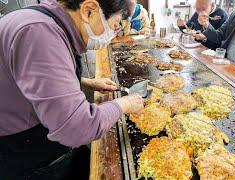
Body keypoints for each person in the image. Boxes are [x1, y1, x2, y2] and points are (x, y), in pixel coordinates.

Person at [0, 0, 144, 179]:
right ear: (89, 10)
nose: (113, 33)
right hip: (27, 155)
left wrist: (85, 82)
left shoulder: (43, 20)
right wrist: (124, 104)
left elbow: (31, 76)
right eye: (115, 25)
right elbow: (76, 127)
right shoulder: (39, 33)